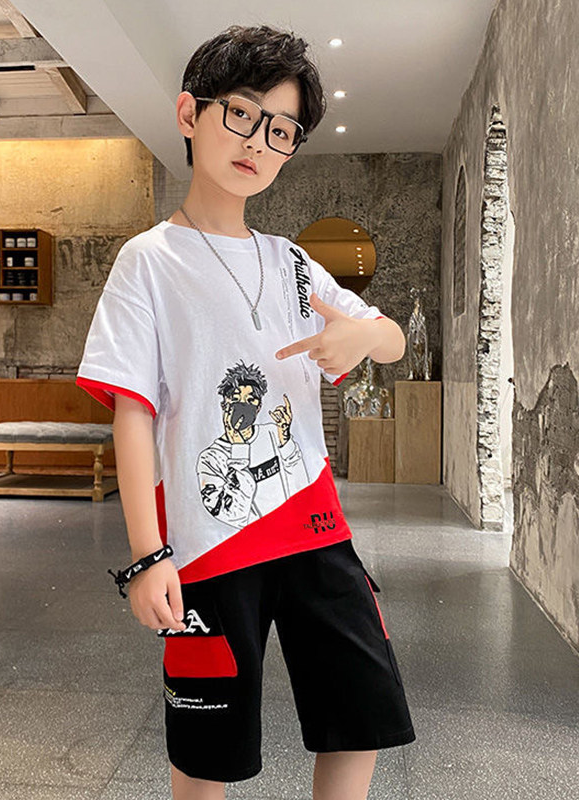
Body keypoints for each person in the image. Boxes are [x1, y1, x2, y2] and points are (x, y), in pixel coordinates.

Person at [76, 23, 416, 800]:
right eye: (241, 113)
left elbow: (392, 338)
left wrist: (363, 335)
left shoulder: (292, 262)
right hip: (209, 542)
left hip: (315, 526)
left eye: (281, 130)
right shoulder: (147, 262)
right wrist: (147, 556)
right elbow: (132, 412)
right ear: (189, 113)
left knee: (362, 713)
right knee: (208, 752)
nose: (258, 142)